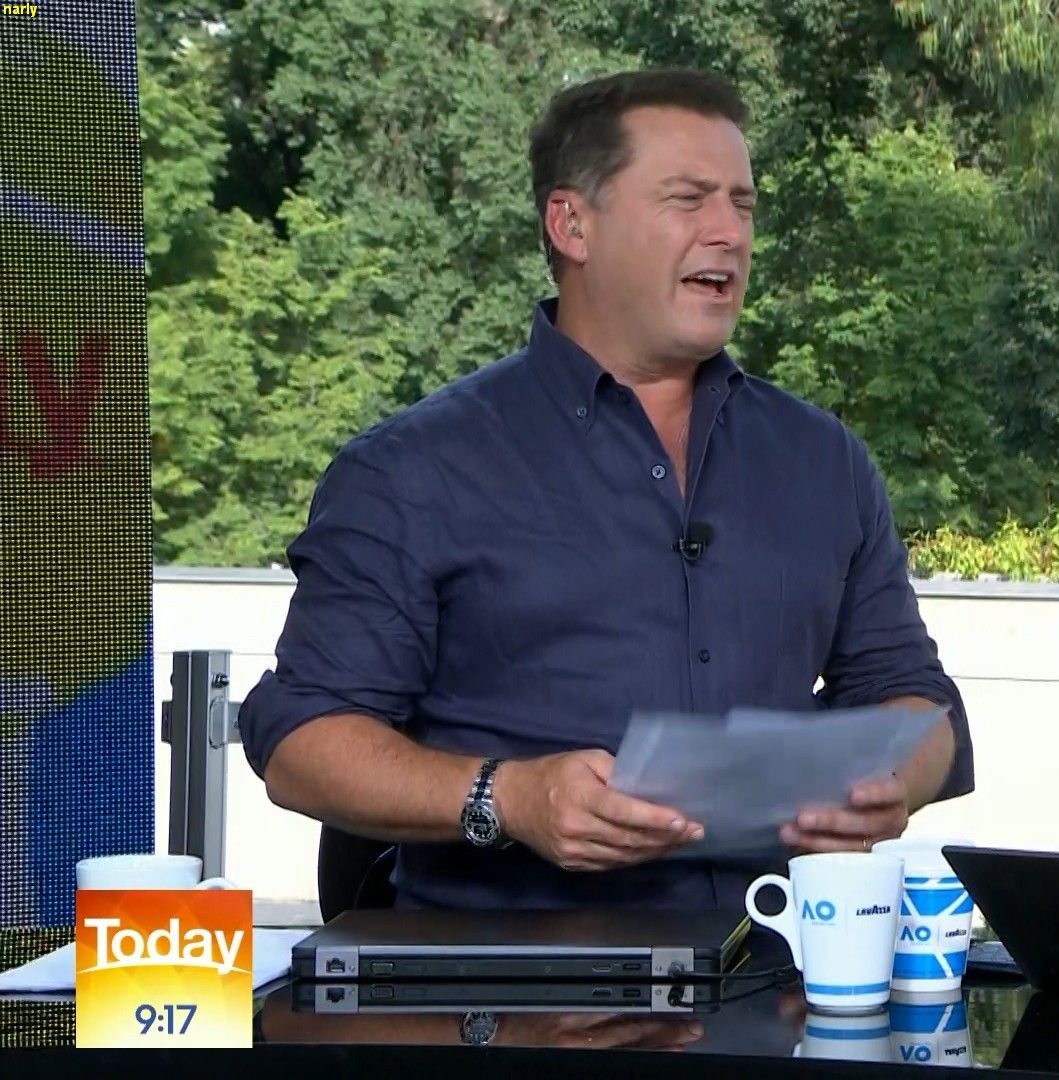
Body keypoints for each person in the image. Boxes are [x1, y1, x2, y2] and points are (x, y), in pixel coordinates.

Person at [237, 69, 973, 911]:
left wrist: (892, 782)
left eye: (742, 204)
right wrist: (506, 798)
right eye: (688, 199)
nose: (729, 232)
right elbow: (300, 741)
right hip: (510, 977)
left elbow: (921, 707)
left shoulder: (824, 460)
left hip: (784, 960)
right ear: (572, 224)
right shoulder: (411, 471)